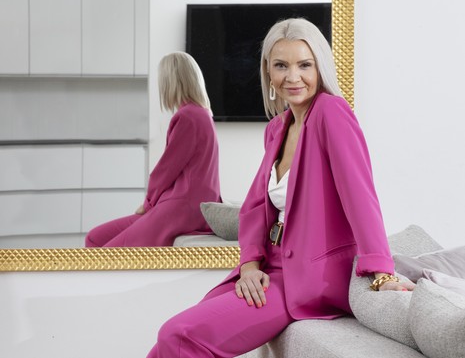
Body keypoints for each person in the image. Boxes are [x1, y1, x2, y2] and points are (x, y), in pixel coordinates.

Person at [146, 18, 413, 358]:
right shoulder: (276, 129)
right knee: (161, 348)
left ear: (320, 68)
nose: (293, 76)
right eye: (281, 66)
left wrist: (381, 271)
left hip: (307, 277)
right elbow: (256, 207)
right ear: (268, 73)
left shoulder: (331, 112)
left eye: (305, 65)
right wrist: (249, 265)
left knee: (178, 335)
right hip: (269, 266)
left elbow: (360, 195)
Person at [85, 52, 221, 247]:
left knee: (105, 252)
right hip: (189, 206)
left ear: (170, 82)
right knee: (94, 237)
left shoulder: (187, 117)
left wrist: (148, 203)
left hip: (181, 209)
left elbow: (166, 170)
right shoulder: (203, 114)